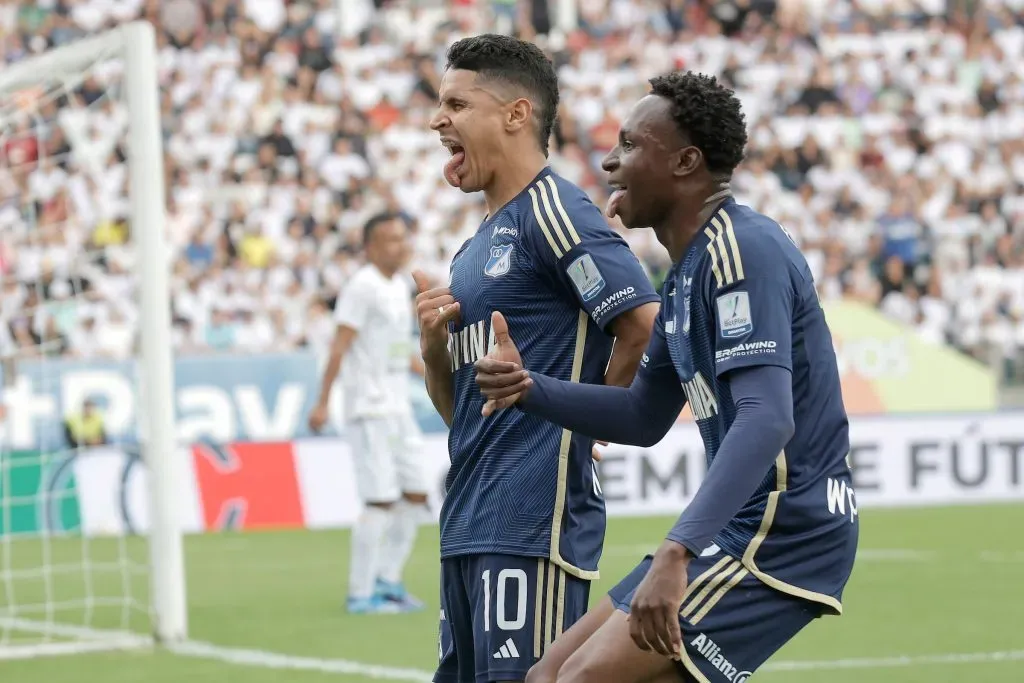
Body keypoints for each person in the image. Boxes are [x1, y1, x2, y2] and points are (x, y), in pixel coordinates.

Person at [474, 71, 859, 683]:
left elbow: (767, 416)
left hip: (781, 533)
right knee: (544, 676)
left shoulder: (742, 249)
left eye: (629, 146)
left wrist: (677, 551)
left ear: (684, 162)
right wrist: (529, 388)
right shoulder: (683, 278)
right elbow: (641, 416)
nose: (609, 162)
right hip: (737, 527)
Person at [416, 34, 661, 683]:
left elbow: (644, 325)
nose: (437, 119)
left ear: (516, 114)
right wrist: (435, 354)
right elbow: (468, 415)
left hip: (532, 524)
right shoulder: (472, 251)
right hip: (466, 523)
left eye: (456, 103)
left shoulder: (553, 210)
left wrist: (593, 419)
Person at [308, 212, 428, 615]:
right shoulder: (361, 287)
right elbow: (340, 346)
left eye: (402, 237)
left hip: (398, 406)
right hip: (369, 408)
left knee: (416, 493)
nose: (400, 245)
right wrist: (323, 401)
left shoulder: (397, 286)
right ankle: (360, 593)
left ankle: (388, 580)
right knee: (379, 500)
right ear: (371, 246)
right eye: (391, 239)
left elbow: (399, 350)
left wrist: (437, 378)